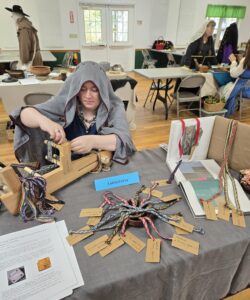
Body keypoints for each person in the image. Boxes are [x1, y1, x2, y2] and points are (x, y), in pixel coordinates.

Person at [10, 61, 136, 165]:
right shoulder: (66, 102)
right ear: (76, 90)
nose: (88, 96)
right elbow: (23, 114)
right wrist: (45, 122)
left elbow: (125, 140)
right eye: (83, 89)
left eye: (94, 90)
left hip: (100, 167)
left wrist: (93, 141)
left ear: (102, 89)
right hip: (67, 168)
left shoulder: (114, 106)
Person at [5, 5, 43, 69]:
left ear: (16, 15)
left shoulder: (23, 28)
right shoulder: (27, 25)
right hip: (35, 59)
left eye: (12, 15)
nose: (12, 17)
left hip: (31, 61)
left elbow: (25, 46)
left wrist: (24, 61)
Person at [219, 39, 250, 116]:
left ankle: (219, 111)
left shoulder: (245, 61)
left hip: (240, 89)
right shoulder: (245, 61)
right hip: (247, 90)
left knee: (220, 88)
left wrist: (233, 61)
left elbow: (233, 74)